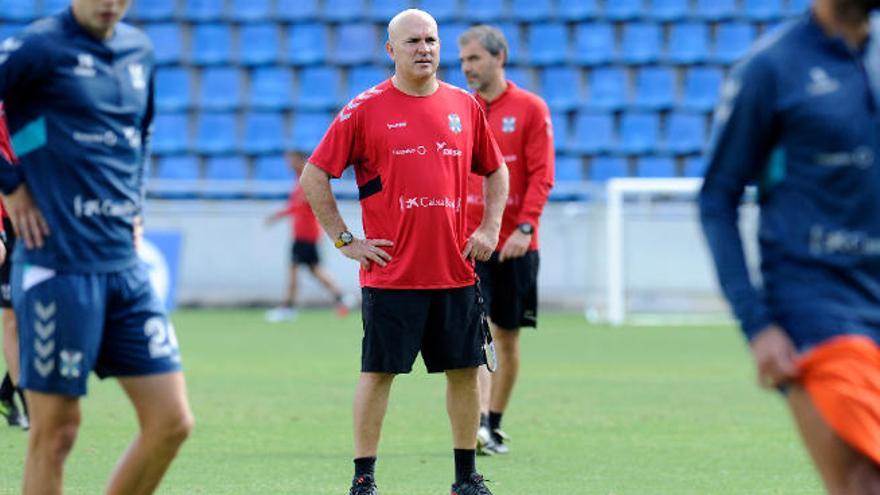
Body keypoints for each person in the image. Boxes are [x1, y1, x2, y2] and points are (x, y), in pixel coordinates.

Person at [300, 9, 509, 495]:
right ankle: (364, 479)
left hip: (455, 271)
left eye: (432, 40)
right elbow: (315, 175)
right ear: (390, 50)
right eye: (413, 41)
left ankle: (465, 479)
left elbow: (496, 171)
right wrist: (346, 240)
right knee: (377, 374)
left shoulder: (464, 105)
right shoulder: (364, 109)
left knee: (463, 372)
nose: (425, 49)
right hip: (391, 275)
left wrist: (491, 227)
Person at [0, 1, 193, 493]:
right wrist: (11, 184)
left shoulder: (138, 50)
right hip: (56, 264)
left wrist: (135, 205)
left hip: (124, 266)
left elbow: (140, 135)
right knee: (57, 431)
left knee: (171, 422)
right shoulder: (37, 47)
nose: (111, 4)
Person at [700, 0, 880, 493]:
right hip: (818, 306)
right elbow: (717, 197)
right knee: (864, 482)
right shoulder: (771, 69)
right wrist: (757, 325)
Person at [458, 25, 554, 456]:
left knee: (507, 337)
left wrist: (526, 225)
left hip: (516, 244)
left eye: (475, 59)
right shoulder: (460, 109)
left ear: (500, 58)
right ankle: (478, 422)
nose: (467, 68)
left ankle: (493, 422)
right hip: (472, 241)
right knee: (474, 334)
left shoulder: (530, 109)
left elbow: (541, 174)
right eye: (462, 61)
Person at [264, 150, 354, 322]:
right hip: (305, 234)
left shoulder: (307, 181)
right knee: (315, 270)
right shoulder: (299, 181)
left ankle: (288, 307)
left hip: (305, 234)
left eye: (291, 159)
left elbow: (301, 206)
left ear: (300, 160)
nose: (288, 163)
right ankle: (341, 297)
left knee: (294, 269)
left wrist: (277, 216)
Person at [0, 102, 28, 430]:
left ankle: (7, 390)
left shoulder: (33, 115)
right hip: (8, 222)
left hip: (37, 220)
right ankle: (26, 400)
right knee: (11, 318)